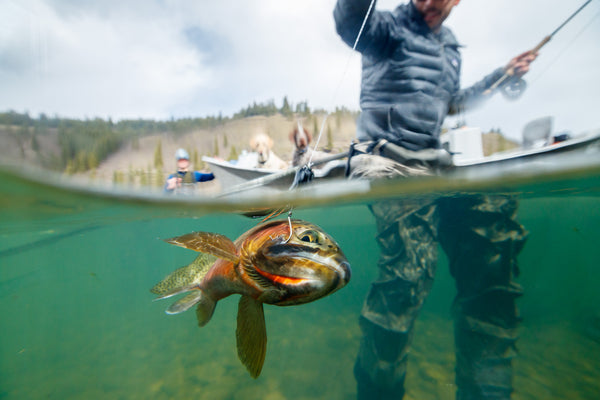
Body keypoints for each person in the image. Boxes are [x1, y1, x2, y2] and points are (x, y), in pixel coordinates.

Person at [334, 1, 535, 399]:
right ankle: (377, 392)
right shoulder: (387, 28)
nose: (429, 3)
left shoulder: (451, 45)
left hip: (435, 162)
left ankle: (486, 390)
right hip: (387, 158)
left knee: (495, 239)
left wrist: (503, 74)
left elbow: (453, 103)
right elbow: (350, 21)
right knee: (409, 272)